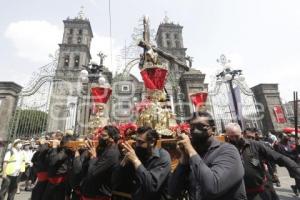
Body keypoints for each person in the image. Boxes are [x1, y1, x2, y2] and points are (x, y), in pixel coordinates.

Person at [168, 111, 246, 200]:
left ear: (213, 129)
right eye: (192, 127)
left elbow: (213, 188)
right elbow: (172, 191)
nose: (195, 131)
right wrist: (183, 161)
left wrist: (190, 149)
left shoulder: (228, 151)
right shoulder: (193, 155)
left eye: (201, 126)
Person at [225, 123, 300, 200]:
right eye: (231, 137)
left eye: (236, 136)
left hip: (261, 190)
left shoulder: (255, 145)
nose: (234, 139)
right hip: (240, 193)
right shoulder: (225, 150)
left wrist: (295, 168)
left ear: (241, 134)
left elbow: (277, 157)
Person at [113, 126, 172, 200]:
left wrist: (135, 161)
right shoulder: (138, 154)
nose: (137, 145)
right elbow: (115, 180)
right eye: (136, 141)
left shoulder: (163, 156)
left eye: (141, 142)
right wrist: (124, 161)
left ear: (152, 142)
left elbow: (151, 186)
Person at [80, 125, 121, 200]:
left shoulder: (112, 153)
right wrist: (88, 156)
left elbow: (93, 172)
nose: (100, 137)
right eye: (100, 134)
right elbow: (86, 169)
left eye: (104, 135)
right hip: (89, 193)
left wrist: (93, 157)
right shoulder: (104, 149)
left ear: (112, 138)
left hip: (99, 196)